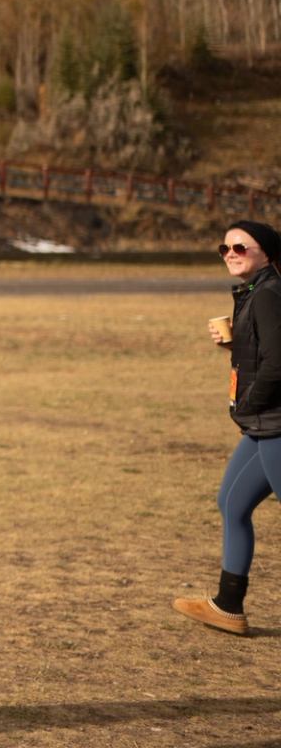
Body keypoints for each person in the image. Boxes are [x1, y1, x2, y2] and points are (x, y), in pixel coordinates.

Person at [173, 219, 281, 636]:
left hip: (273, 421)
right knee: (232, 504)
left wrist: (249, 400)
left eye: (241, 247)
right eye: (225, 248)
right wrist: (234, 346)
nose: (231, 253)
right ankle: (227, 605)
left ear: (267, 253)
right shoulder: (254, 292)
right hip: (260, 423)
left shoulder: (270, 294)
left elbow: (278, 365)